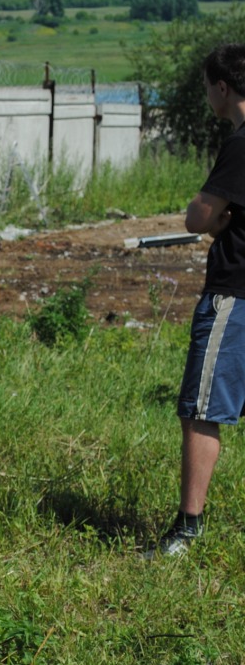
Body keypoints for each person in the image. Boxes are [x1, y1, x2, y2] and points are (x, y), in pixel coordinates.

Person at [146, 43, 245, 558]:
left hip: (235, 292)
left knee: (202, 408)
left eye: (208, 87)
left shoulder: (240, 143)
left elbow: (198, 218)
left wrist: (214, 217)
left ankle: (187, 529)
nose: (208, 95)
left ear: (222, 87)